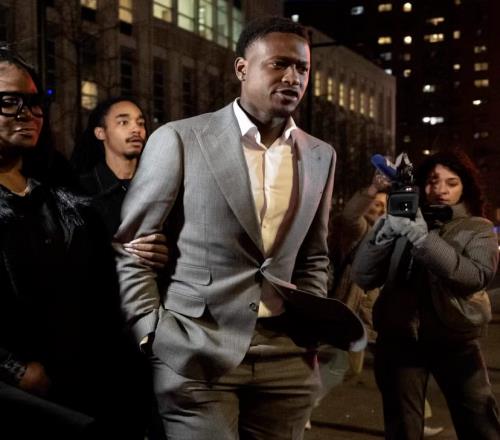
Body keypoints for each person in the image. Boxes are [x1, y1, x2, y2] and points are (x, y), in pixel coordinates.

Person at [114, 15, 364, 440]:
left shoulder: (320, 154)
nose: (293, 78)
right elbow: (131, 246)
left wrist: (307, 325)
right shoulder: (180, 138)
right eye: (279, 64)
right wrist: (149, 332)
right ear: (242, 68)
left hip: (288, 358)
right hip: (196, 350)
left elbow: (314, 254)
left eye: (302, 68)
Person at [0, 44, 144, 438]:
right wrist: (13, 369)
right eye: (9, 101)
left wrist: (139, 254)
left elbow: (100, 274)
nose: (27, 113)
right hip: (21, 395)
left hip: (89, 381)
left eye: (35, 102)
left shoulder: (60, 183)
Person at [351, 150, 500, 439]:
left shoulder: (478, 228)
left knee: (479, 423)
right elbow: (363, 275)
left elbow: (474, 277)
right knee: (402, 428)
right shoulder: (404, 218)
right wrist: (383, 232)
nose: (441, 190)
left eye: (451, 183)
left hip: (455, 338)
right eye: (433, 181)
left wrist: (422, 238)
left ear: (465, 187)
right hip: (400, 339)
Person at [72, 97, 168, 268]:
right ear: (100, 133)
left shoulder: (163, 187)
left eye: (140, 123)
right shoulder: (79, 191)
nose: (136, 129)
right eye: (124, 122)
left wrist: (168, 253)